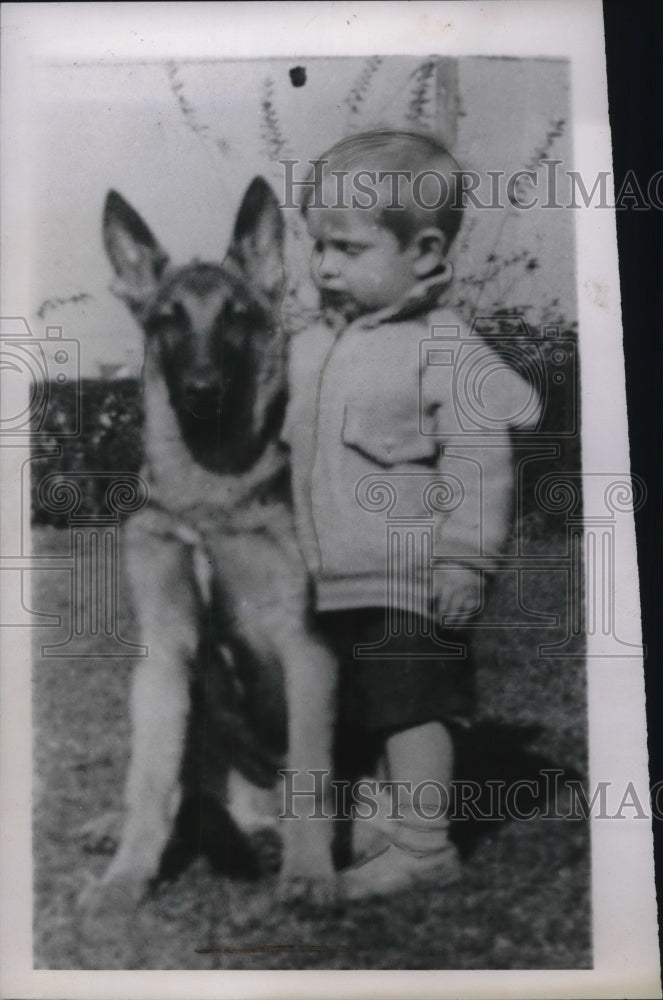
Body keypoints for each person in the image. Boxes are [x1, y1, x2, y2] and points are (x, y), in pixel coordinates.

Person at [282, 129, 540, 898]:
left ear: (423, 253)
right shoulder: (311, 347)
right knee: (358, 707)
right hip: (328, 580)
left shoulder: (445, 345)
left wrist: (465, 558)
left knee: (411, 706)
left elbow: (479, 457)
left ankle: (425, 847)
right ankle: (380, 821)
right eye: (316, 247)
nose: (324, 266)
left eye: (348, 249)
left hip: (410, 575)